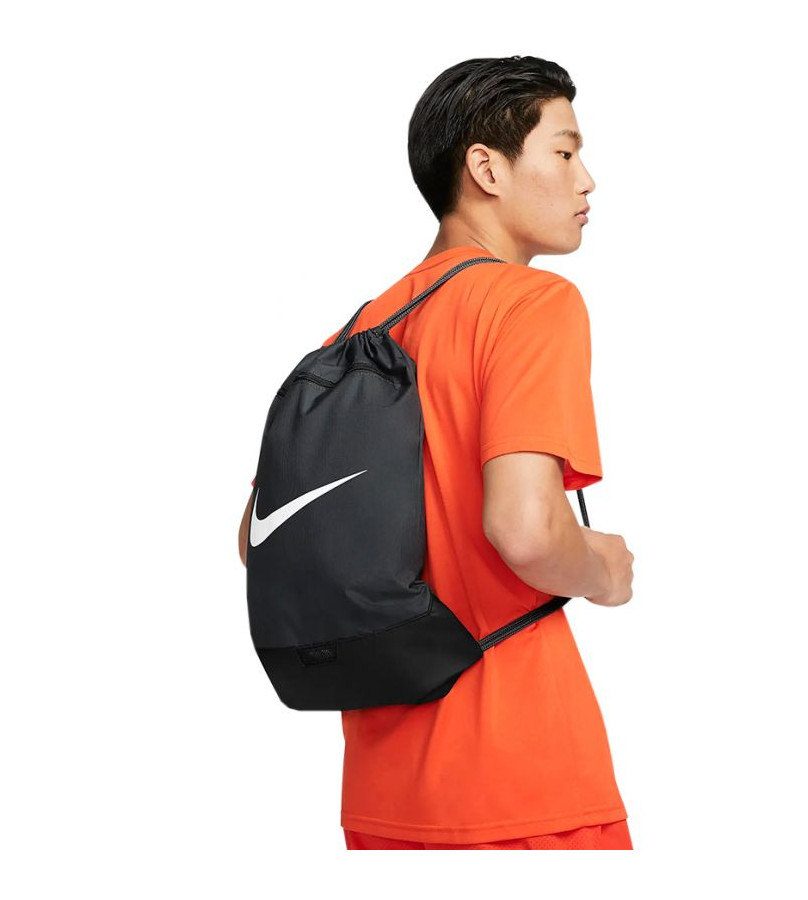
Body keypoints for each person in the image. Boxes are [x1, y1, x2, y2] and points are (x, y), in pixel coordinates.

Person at [239, 55, 635, 850]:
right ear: (486, 168)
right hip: (523, 782)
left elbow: (257, 542)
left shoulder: (357, 332)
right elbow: (526, 530)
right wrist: (603, 568)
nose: (587, 179)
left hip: (382, 794)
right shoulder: (531, 303)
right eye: (564, 151)